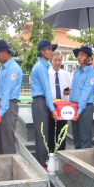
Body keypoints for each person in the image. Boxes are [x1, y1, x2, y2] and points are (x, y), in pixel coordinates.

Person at [0, 40, 23, 154]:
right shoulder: (4, 67)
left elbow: (7, 92)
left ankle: (11, 170)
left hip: (7, 107)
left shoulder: (12, 68)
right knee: (0, 140)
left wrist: (1, 112)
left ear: (4, 52)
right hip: (1, 105)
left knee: (7, 142)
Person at [31, 39, 58, 167]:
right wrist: (52, 109)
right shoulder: (41, 67)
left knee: (42, 134)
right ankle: (41, 165)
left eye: (51, 49)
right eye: (48, 49)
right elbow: (47, 89)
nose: (51, 52)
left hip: (41, 103)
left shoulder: (43, 65)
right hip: (40, 102)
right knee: (42, 135)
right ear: (42, 52)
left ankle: (41, 163)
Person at [69, 46, 94, 149]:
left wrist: (79, 110)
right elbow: (73, 91)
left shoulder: (92, 74)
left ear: (89, 58)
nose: (79, 57)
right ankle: (77, 161)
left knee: (85, 138)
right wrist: (70, 106)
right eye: (78, 55)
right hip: (75, 107)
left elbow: (85, 94)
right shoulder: (77, 71)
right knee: (76, 137)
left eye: (82, 55)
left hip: (85, 108)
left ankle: (85, 163)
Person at [48, 51, 71, 152]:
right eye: (55, 60)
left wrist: (68, 92)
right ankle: (50, 152)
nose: (57, 62)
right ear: (51, 60)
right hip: (50, 106)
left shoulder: (66, 74)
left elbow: (71, 89)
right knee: (50, 129)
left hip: (63, 107)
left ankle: (61, 152)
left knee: (62, 131)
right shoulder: (47, 74)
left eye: (59, 60)